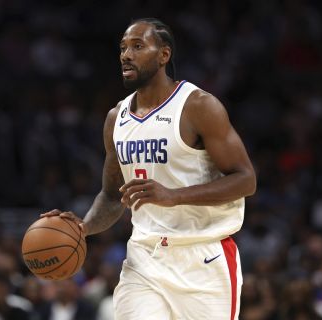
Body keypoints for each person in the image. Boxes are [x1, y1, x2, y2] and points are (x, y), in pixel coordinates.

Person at [43, 17, 256, 320]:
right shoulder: (116, 118)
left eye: (137, 46)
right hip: (145, 257)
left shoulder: (198, 106)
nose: (125, 55)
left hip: (202, 257)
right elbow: (111, 195)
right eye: (123, 48)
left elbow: (245, 179)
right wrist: (82, 228)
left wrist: (174, 196)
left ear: (163, 55)